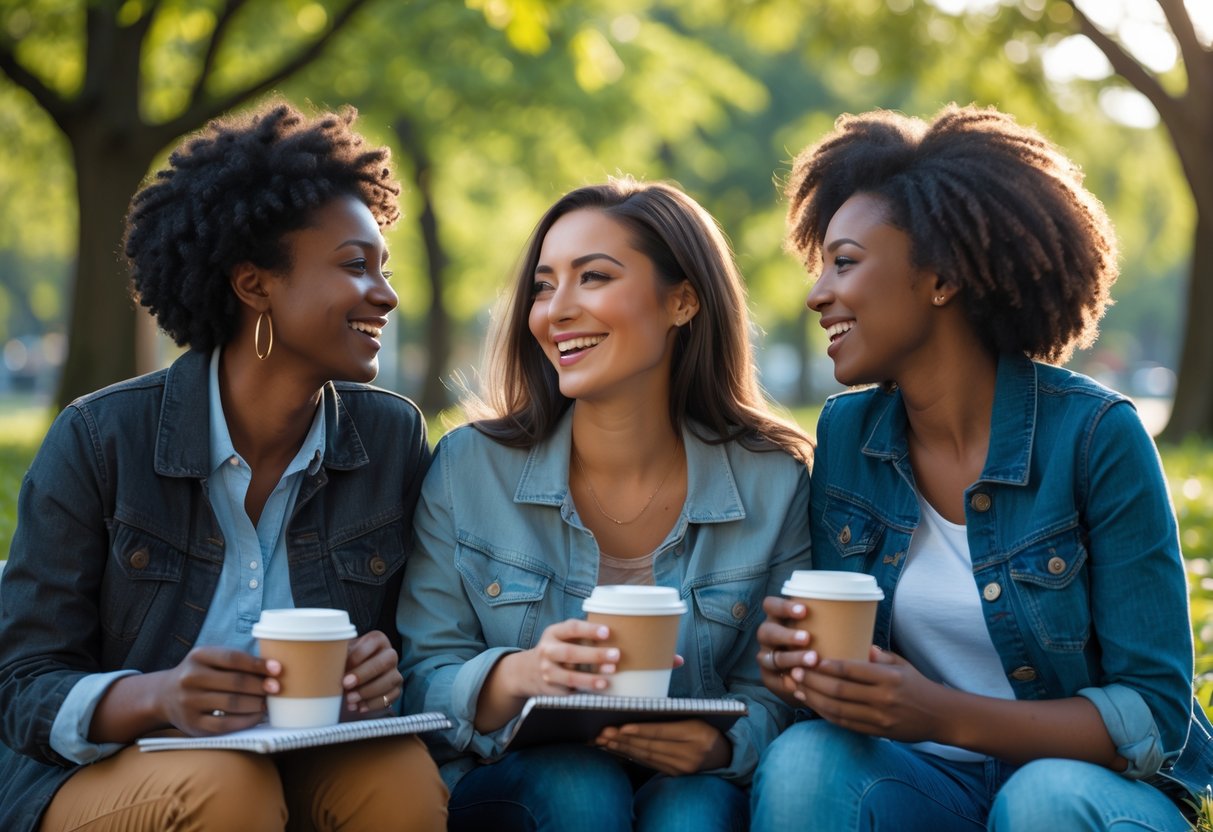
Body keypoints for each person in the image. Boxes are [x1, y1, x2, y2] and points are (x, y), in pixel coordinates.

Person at [749, 104, 1213, 831]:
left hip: (1084, 793)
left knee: (1039, 800)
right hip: (925, 782)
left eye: (843, 262)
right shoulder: (847, 434)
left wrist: (943, 714)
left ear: (940, 277)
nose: (816, 295)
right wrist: (797, 667)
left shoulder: (1096, 437)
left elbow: (1152, 715)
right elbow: (851, 667)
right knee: (806, 758)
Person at [0, 101, 448, 831]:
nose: (387, 294)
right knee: (225, 785)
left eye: (384, 268)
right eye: (354, 266)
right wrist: (160, 696)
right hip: (110, 771)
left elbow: (414, 646)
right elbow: (20, 684)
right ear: (254, 284)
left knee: (396, 775)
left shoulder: (389, 436)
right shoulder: (100, 437)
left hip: (302, 753)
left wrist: (382, 666)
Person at [397, 178, 814, 831]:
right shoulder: (467, 467)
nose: (555, 310)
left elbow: (782, 688)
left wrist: (719, 744)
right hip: (519, 787)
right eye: (542, 284)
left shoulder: (772, 479)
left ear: (681, 300)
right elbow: (420, 672)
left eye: (592, 277)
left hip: (690, 784)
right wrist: (517, 676)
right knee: (577, 784)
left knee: (694, 811)